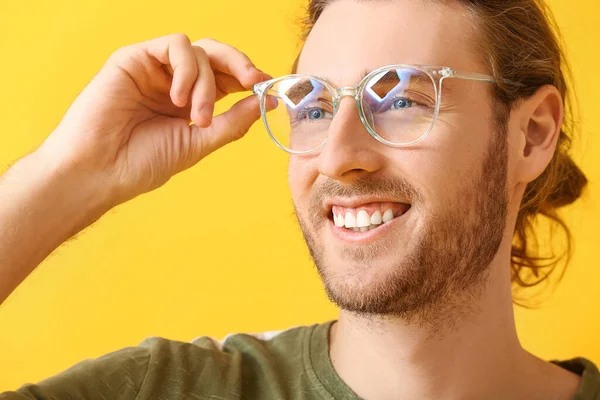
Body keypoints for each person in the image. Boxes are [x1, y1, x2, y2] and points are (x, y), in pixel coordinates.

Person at [0, 0, 597, 398]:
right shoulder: (166, 389)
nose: (337, 156)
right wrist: (71, 172)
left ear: (532, 134)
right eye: (313, 108)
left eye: (400, 101)